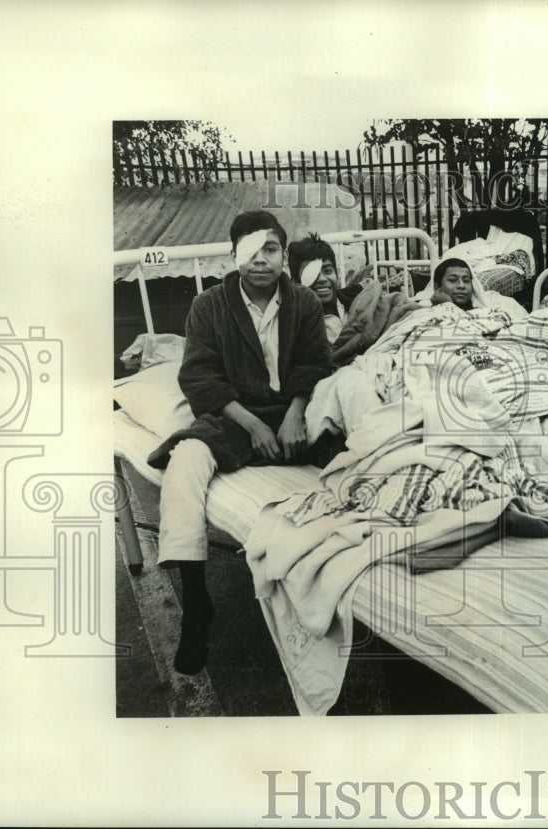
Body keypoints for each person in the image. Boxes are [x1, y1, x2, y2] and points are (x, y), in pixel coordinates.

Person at [146, 210, 333, 675]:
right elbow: (199, 377)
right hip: (234, 415)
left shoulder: (304, 302)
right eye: (249, 251)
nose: (260, 260)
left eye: (270, 249)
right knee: (186, 458)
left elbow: (315, 366)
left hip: (293, 411)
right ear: (233, 256)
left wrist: (294, 414)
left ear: (284, 256)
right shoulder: (209, 305)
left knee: (350, 433)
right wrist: (252, 425)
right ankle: (196, 604)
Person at [287, 233, 365, 344]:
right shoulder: (298, 325)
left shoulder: (357, 300)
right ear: (296, 281)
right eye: (312, 274)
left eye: (328, 271)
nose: (322, 279)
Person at [422, 257, 528, 319]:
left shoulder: (498, 305)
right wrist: (446, 306)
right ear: (437, 287)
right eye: (453, 280)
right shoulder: (425, 313)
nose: (461, 286)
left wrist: (448, 306)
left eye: (466, 280)